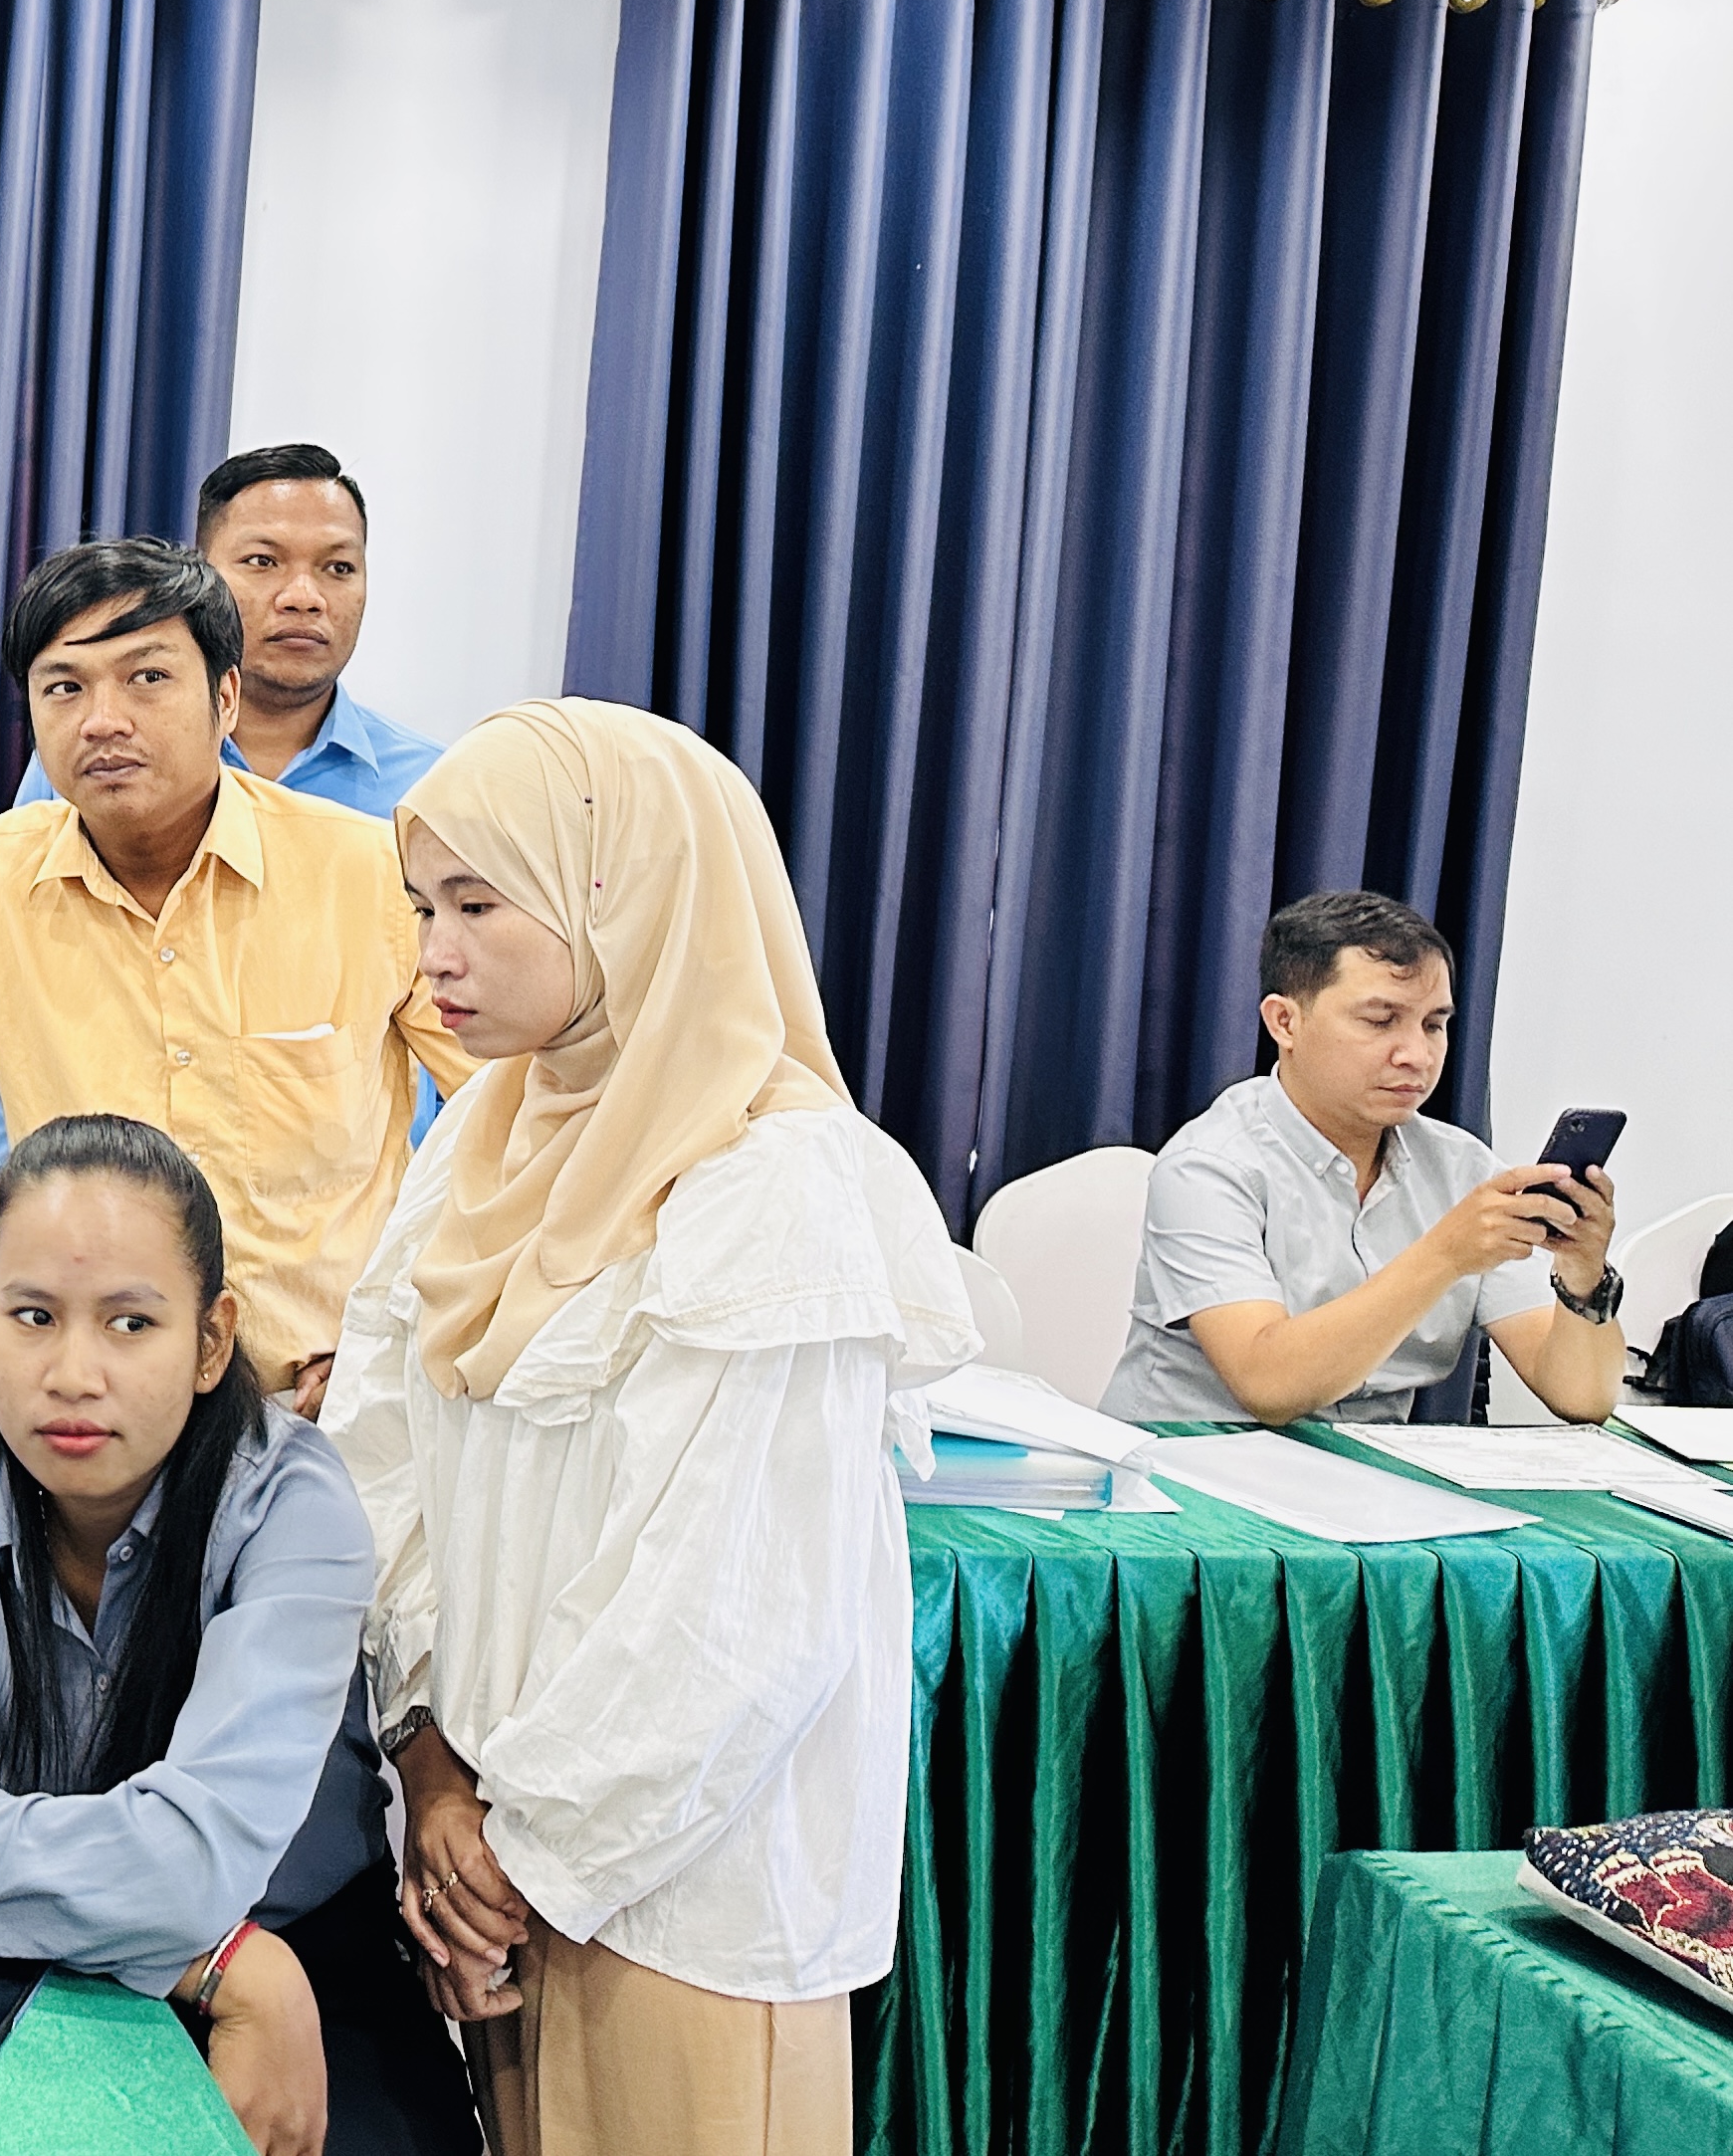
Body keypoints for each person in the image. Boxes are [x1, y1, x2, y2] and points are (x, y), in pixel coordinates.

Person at [324, 699, 975, 2156]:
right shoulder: (484, 1132)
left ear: (622, 899)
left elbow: (738, 1616)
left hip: (679, 1897)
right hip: (490, 1865)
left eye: (480, 903)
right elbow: (381, 1457)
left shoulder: (771, 1181)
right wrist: (429, 1761)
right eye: (424, 905)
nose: (434, 954)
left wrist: (523, 1855)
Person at [0, 1114, 474, 2156]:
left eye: (131, 1322)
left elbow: (191, 1861)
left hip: (306, 1945)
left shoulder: (292, 1500)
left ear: (213, 1339)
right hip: (35, 1953)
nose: (74, 1372)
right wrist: (220, 1964)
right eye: (34, 1315)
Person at [0, 538, 473, 1414]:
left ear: (225, 698)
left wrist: (405, 1334)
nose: (103, 719)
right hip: (78, 1410)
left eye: (147, 678)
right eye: (64, 687)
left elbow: (512, 1114)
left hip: (321, 1408)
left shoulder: (369, 874)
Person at [0, 444, 442, 1219]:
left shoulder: (432, 794)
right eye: (262, 561)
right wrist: (7, 1225)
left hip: (341, 1251)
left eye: (337, 567)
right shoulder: (88, 772)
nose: (303, 596)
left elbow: (481, 1063)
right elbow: (9, 1023)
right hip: (101, 1228)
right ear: (202, 580)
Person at [1098, 890, 1625, 1426]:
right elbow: (1267, 1385)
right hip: (1191, 1458)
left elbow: (1582, 1399)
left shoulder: (1462, 1167)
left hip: (1362, 1466)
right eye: (1379, 1020)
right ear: (1285, 1022)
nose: (1416, 1055)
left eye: (1433, 1025)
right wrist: (1445, 1254)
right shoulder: (1209, 1166)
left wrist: (1583, 1275)